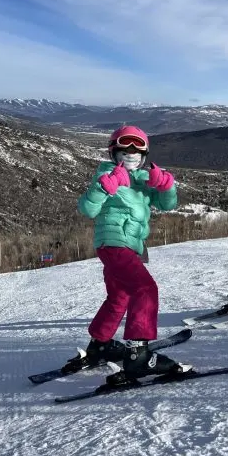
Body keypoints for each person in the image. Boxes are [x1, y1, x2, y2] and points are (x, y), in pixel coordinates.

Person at [64, 125, 184, 381]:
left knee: (120, 295)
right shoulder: (107, 174)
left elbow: (167, 204)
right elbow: (87, 209)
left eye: (136, 151)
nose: (130, 155)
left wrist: (166, 185)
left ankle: (100, 344)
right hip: (114, 243)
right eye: (124, 151)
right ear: (113, 154)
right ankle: (138, 355)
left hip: (126, 246)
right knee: (145, 289)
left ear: (144, 156)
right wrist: (103, 188)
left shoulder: (142, 178)